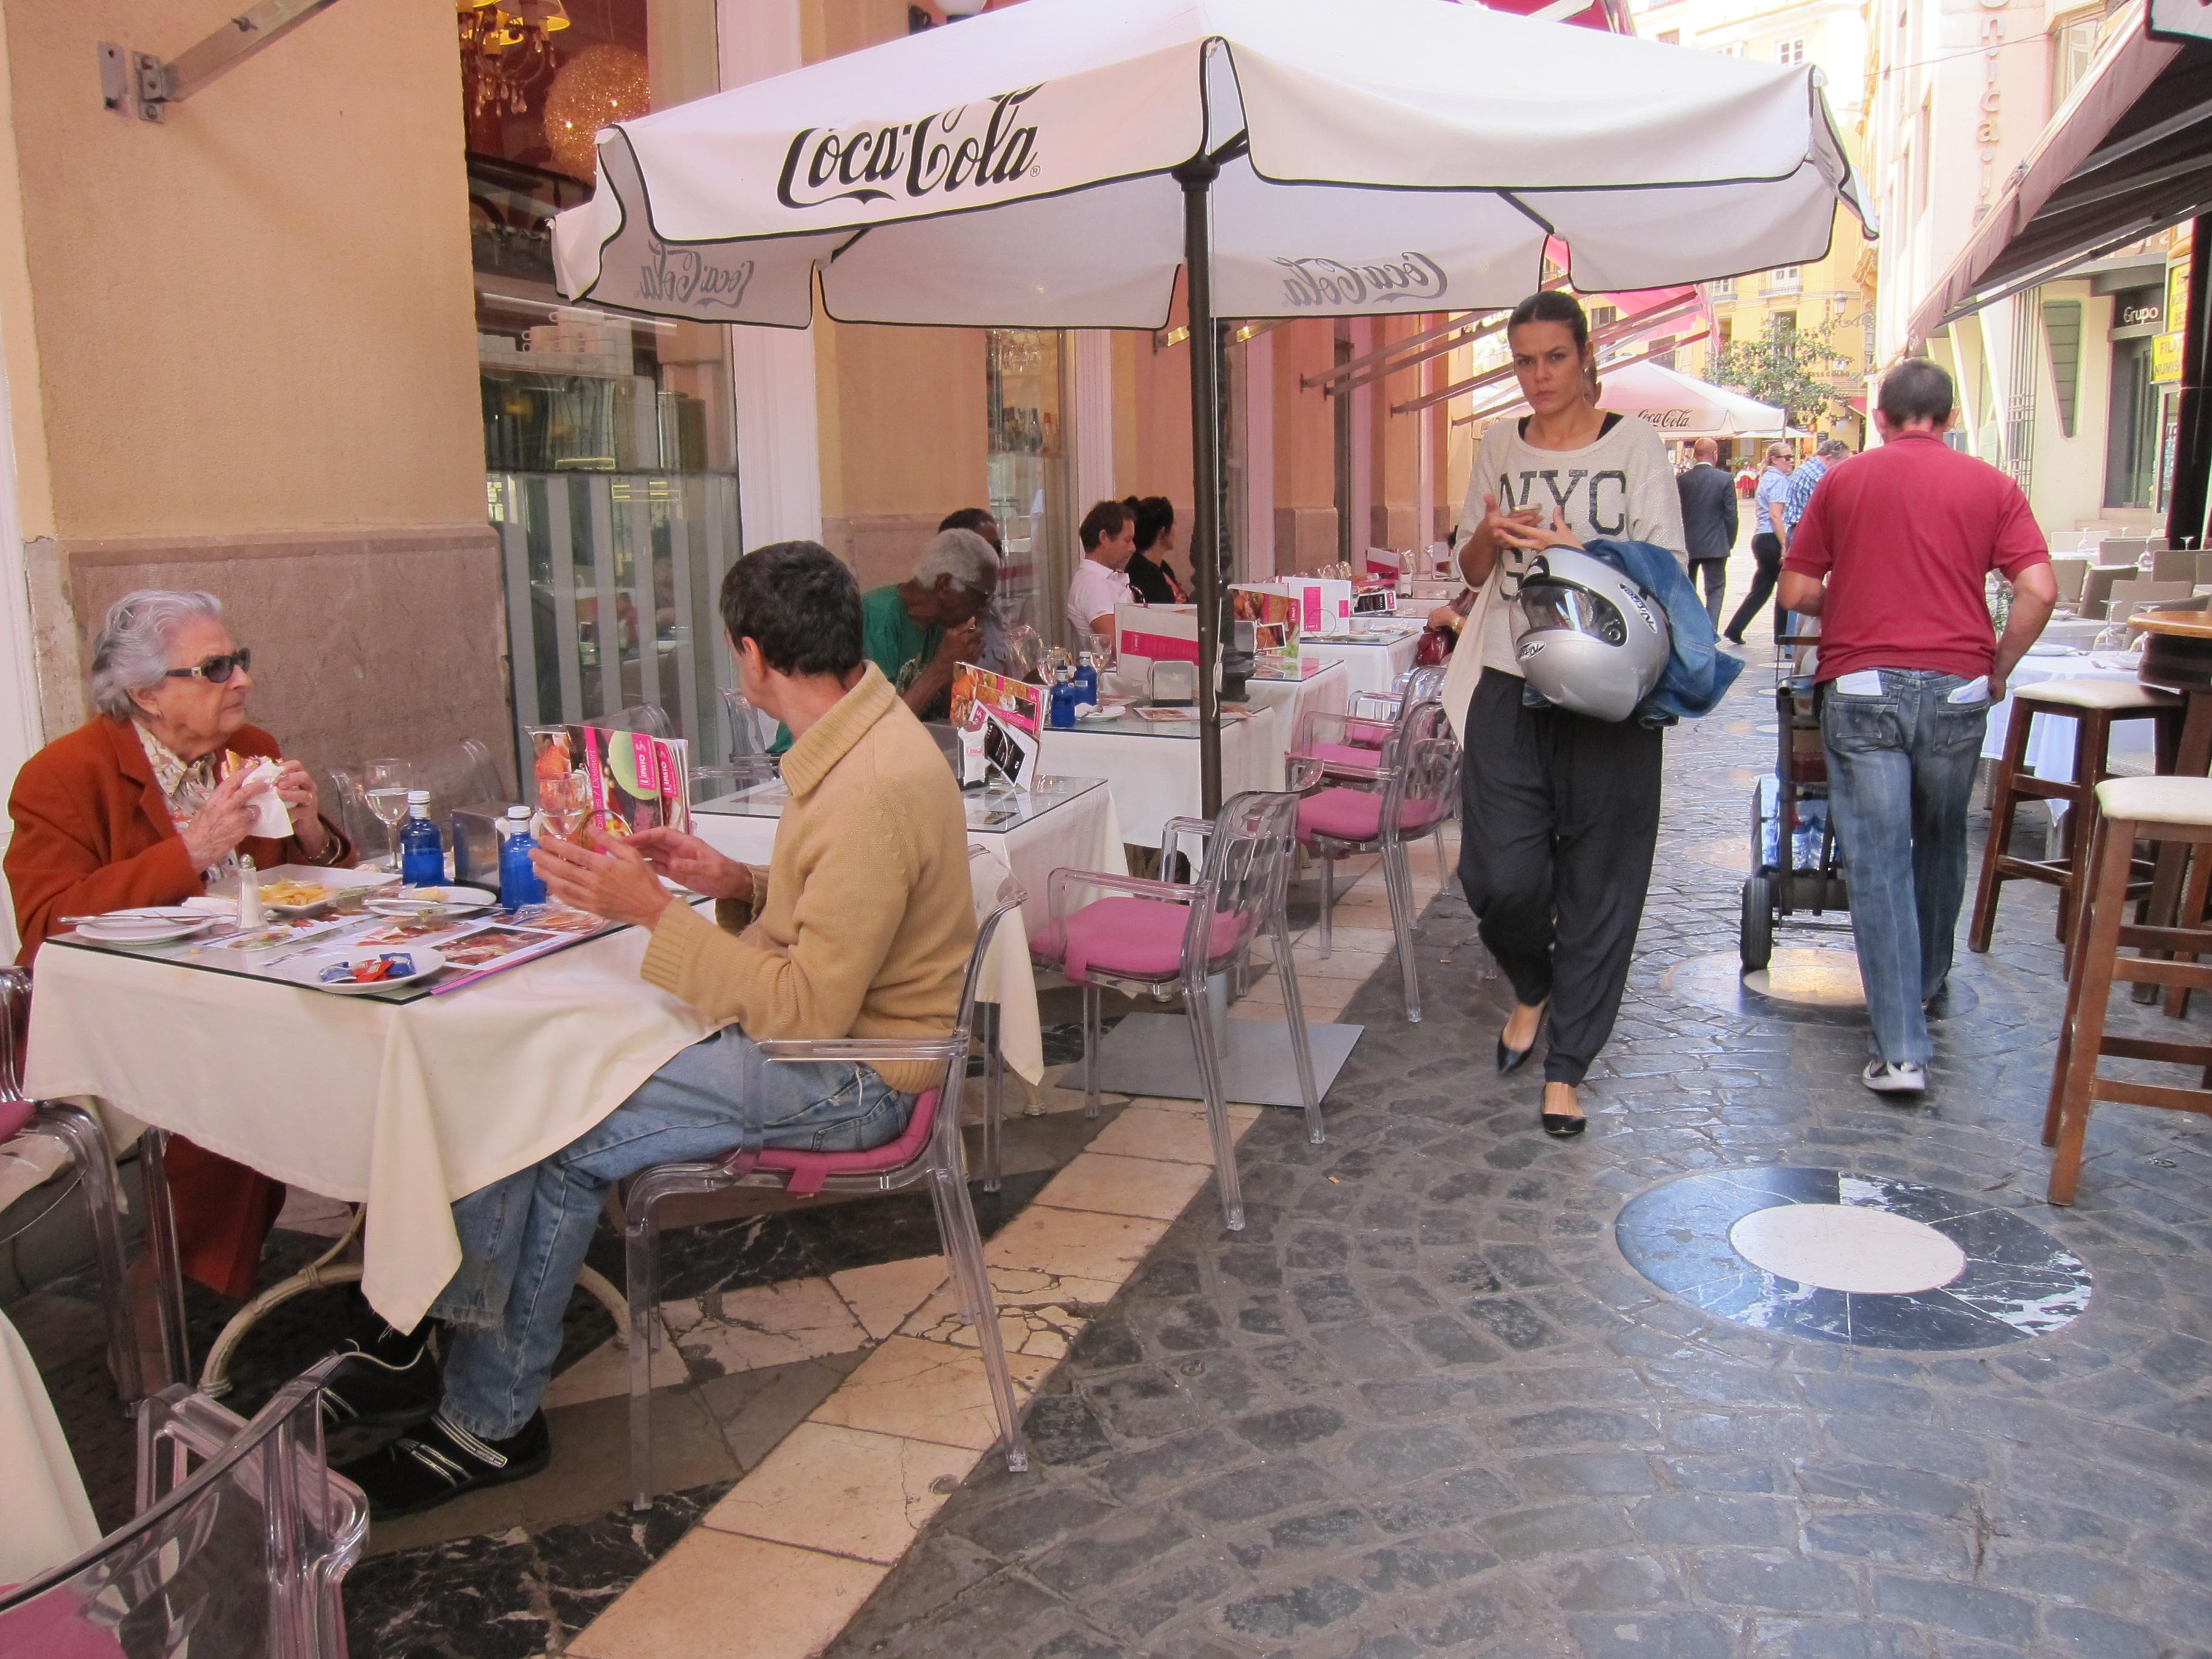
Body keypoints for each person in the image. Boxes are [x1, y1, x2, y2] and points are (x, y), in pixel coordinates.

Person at [330, 541, 975, 1517]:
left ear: (751, 654)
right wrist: (733, 884)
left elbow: (806, 1010)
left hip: (858, 1076)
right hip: (843, 1041)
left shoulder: (871, 783)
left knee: (548, 1119)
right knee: (546, 1090)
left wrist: (654, 915)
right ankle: (446, 1350)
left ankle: (481, 1408)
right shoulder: (866, 739)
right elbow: (845, 917)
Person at [5, 590, 351, 1299]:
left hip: (262, 990)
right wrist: (190, 850)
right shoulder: (65, 776)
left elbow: (310, 885)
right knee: (248, 1087)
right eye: (216, 667)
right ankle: (178, 1292)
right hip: (131, 1015)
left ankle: (385, 1279)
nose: (243, 681)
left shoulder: (251, 752)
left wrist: (315, 832)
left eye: (240, 660)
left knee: (374, 1061)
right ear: (146, 695)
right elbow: (47, 929)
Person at [1778, 361, 2056, 1096]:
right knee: (1939, 839)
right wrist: (1998, 665)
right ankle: (1926, 985)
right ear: (1949, 412)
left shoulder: (1843, 481)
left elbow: (1798, 589)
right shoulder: (1992, 485)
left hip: (1865, 682)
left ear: (1881, 417)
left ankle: (1901, 1049)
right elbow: (2039, 589)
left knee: (1877, 861)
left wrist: (1858, 588)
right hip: (1960, 686)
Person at [1447, 290, 1687, 1138]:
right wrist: (1494, 535)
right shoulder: (1496, 444)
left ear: (1587, 357)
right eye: (1523, 360)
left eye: (1554, 357)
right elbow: (1472, 569)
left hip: (1613, 689)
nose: (1538, 376)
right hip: (1514, 680)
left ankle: (1569, 1065)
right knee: (1498, 878)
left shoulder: (1637, 445)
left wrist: (1579, 550)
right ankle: (1534, 983)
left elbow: (1668, 567)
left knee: (1602, 884)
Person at [766, 527, 997, 750]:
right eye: (983, 596)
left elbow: (952, 722)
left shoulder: (942, 626)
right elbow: (881, 731)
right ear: (945, 586)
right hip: (806, 759)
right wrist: (941, 667)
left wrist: (958, 671)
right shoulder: (876, 620)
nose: (987, 608)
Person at [1723, 443, 1797, 646]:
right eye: (1787, 457)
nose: (1791, 461)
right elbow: (1776, 515)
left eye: (1792, 457)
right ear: (1774, 459)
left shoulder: (1767, 478)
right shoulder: (1779, 481)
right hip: (1772, 537)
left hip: (1761, 537)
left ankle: (1735, 628)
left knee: (1762, 588)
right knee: (1785, 587)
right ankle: (1782, 635)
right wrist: (1785, 545)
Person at [1675, 437, 1739, 628]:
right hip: (1716, 544)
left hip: (1688, 544)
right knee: (1716, 590)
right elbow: (1731, 516)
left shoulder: (1681, 480)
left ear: (1695, 455)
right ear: (1715, 454)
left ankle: (1692, 630)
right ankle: (1710, 631)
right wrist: (1729, 541)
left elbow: (1675, 513)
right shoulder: (1725, 479)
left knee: (1688, 589)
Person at [1067, 499, 1137, 652]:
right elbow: (1115, 645)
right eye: (1127, 540)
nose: (1133, 548)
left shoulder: (1102, 580)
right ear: (1104, 538)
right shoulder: (1093, 584)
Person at [1126, 497, 1188, 605]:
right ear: (1164, 532)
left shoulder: (1164, 568)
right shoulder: (1143, 573)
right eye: (1174, 523)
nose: (1175, 529)